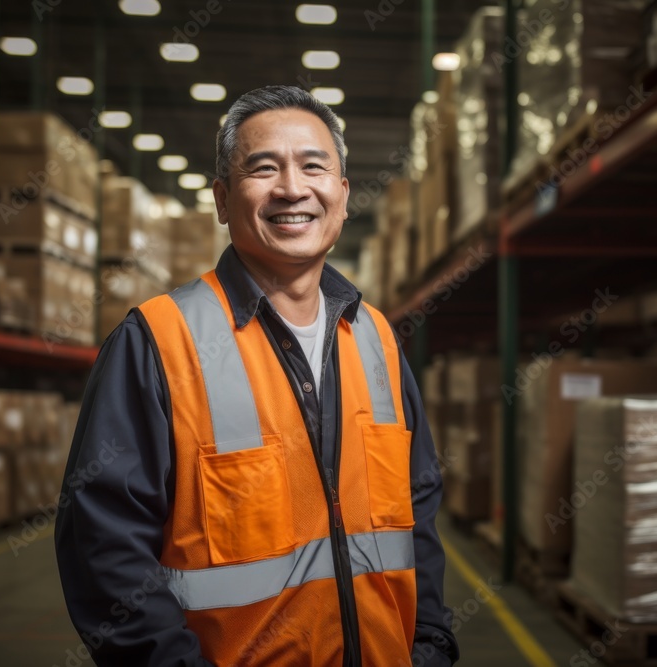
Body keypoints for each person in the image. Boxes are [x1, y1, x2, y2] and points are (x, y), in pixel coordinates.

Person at [55, 85, 459, 666]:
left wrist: (430, 647)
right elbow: (103, 550)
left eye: (313, 167)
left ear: (342, 196)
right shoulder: (158, 341)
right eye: (264, 168)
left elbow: (416, 513)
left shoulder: (376, 341)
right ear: (222, 198)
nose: (293, 188)